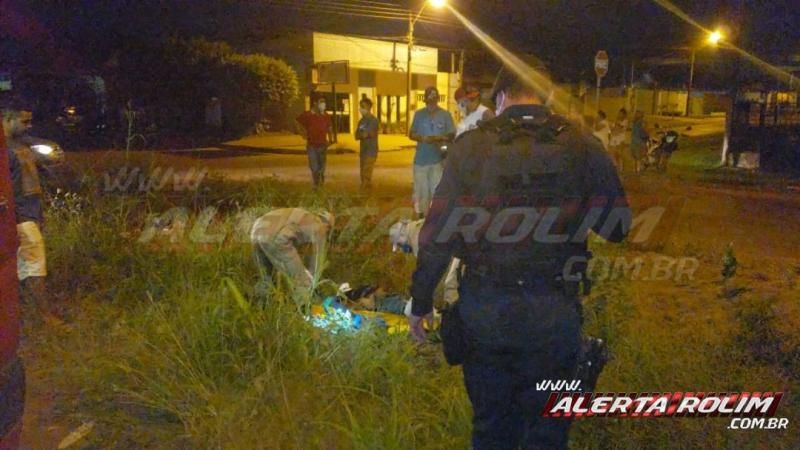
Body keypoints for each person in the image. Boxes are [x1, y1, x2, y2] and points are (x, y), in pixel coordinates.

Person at [407, 59, 630, 449]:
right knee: (547, 433)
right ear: (546, 96)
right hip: (553, 316)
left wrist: (421, 301)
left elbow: (438, 235)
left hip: (485, 314)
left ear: (500, 97)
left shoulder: (470, 147)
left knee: (491, 429)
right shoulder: (582, 145)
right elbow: (617, 228)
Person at [2, 101, 60, 324]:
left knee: (26, 267)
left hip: (29, 215)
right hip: (21, 217)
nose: (28, 126)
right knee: (34, 267)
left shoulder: (19, 144)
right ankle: (44, 317)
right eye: (24, 121)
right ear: (8, 119)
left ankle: (23, 316)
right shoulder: (6, 149)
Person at [250, 208, 334, 301]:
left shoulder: (303, 216)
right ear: (328, 226)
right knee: (302, 282)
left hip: (256, 231)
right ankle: (305, 306)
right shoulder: (320, 226)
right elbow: (317, 261)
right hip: (275, 237)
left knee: (267, 278)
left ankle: (257, 302)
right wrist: (311, 280)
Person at [388, 219, 460, 305]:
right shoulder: (419, 227)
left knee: (450, 289)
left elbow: (426, 275)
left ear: (402, 236)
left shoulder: (417, 239)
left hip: (461, 252)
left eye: (400, 245)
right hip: (461, 249)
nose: (401, 249)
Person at [409, 87, 455, 219]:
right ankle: (422, 218)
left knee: (437, 191)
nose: (432, 103)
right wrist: (421, 138)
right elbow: (411, 134)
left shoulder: (445, 115)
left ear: (437, 99)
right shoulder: (419, 114)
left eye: (434, 100)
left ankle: (435, 218)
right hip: (421, 160)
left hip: (438, 161)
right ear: (425, 100)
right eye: (429, 100)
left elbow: (451, 134)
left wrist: (439, 138)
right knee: (421, 192)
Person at [296, 97, 334, 188]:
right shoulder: (308, 115)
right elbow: (297, 122)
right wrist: (302, 133)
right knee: (314, 166)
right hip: (312, 145)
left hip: (323, 144)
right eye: (321, 102)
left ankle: (320, 181)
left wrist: (331, 139)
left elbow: (329, 128)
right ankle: (317, 182)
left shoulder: (325, 115)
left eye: (324, 102)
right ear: (315, 103)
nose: (323, 104)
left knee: (322, 165)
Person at [355, 97, 379, 191]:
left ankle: (363, 192)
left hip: (371, 151)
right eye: (360, 106)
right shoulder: (361, 121)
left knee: (366, 174)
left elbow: (366, 134)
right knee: (363, 174)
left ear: (369, 107)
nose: (361, 109)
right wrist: (363, 134)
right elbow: (357, 135)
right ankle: (368, 192)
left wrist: (363, 134)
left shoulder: (373, 121)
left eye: (363, 106)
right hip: (363, 151)